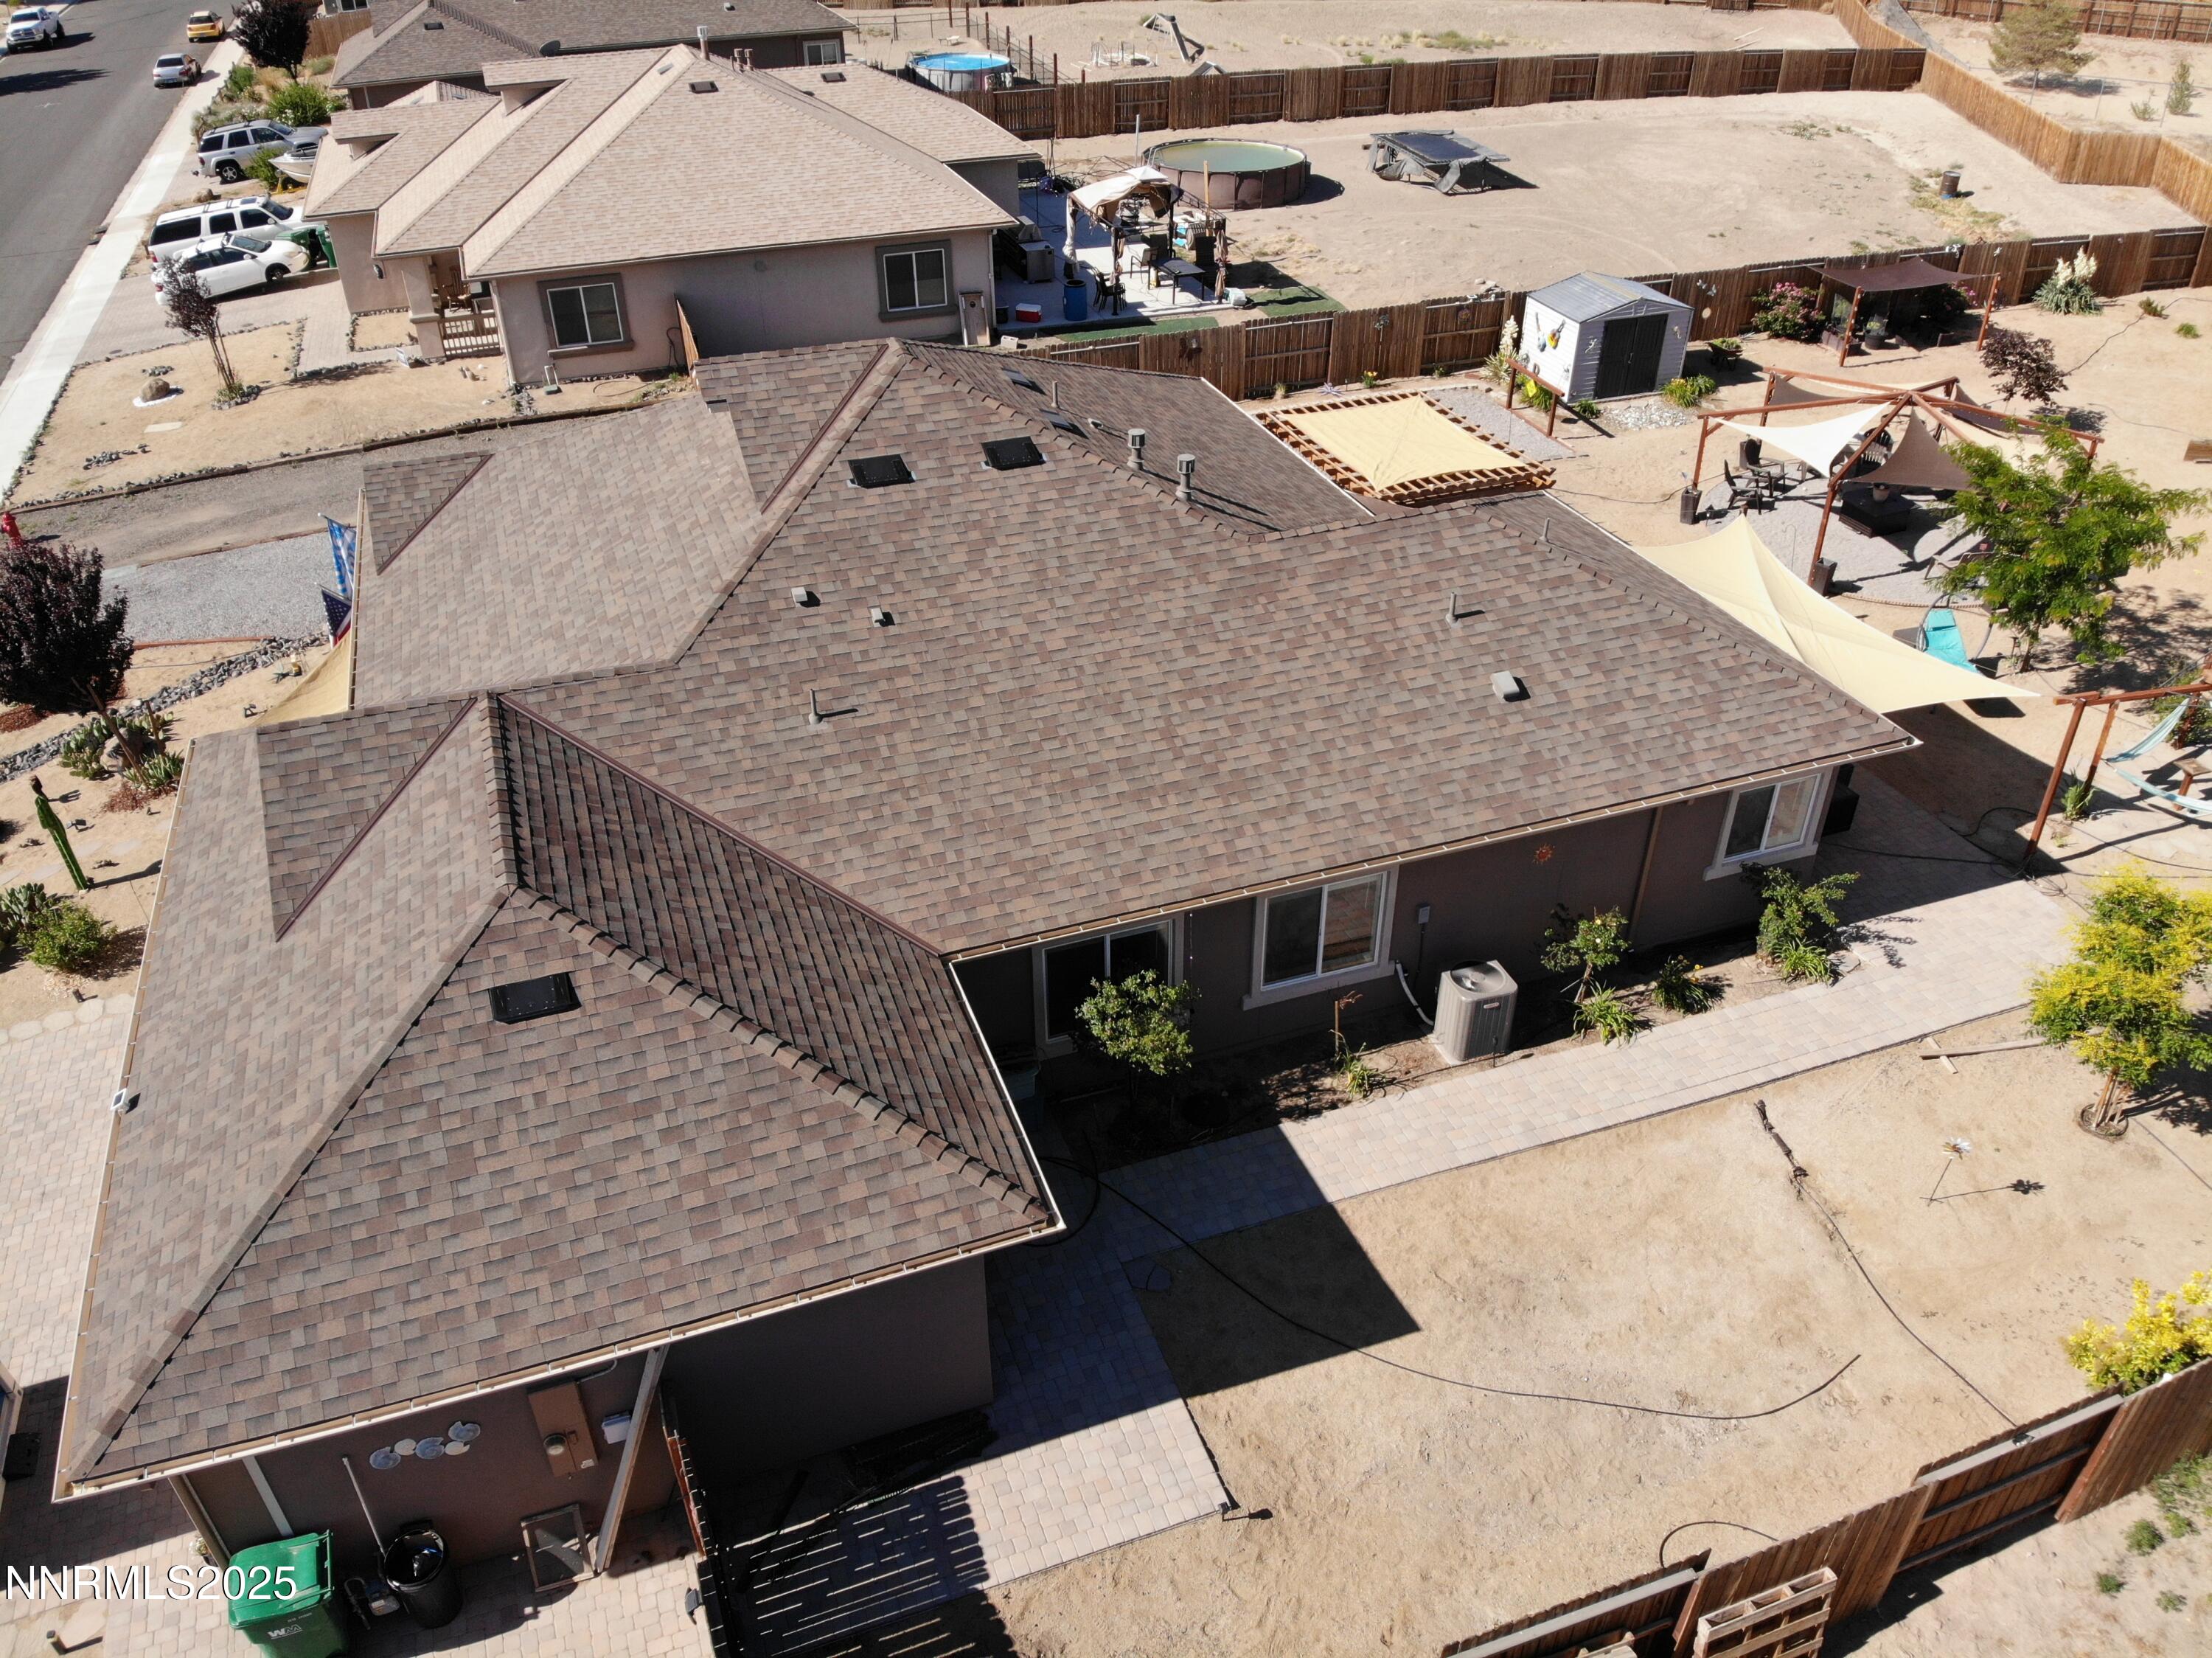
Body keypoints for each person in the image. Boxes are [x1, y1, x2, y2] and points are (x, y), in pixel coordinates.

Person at [31, 775, 88, 891]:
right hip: (55, 828)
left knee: (66, 851)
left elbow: (44, 822)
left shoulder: (40, 802)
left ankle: (82, 885)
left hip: (55, 827)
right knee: (67, 852)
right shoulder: (40, 802)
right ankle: (81, 884)